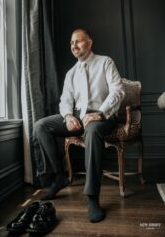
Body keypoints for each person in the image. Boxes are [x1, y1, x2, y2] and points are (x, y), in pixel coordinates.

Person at [33, 28, 125, 223]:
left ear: (89, 42)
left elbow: (118, 90)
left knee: (91, 131)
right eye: (71, 43)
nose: (74, 46)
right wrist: (67, 116)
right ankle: (58, 176)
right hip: (78, 116)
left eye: (78, 41)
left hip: (103, 115)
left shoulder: (105, 62)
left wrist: (100, 113)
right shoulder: (71, 73)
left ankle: (92, 196)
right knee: (41, 126)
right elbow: (65, 99)